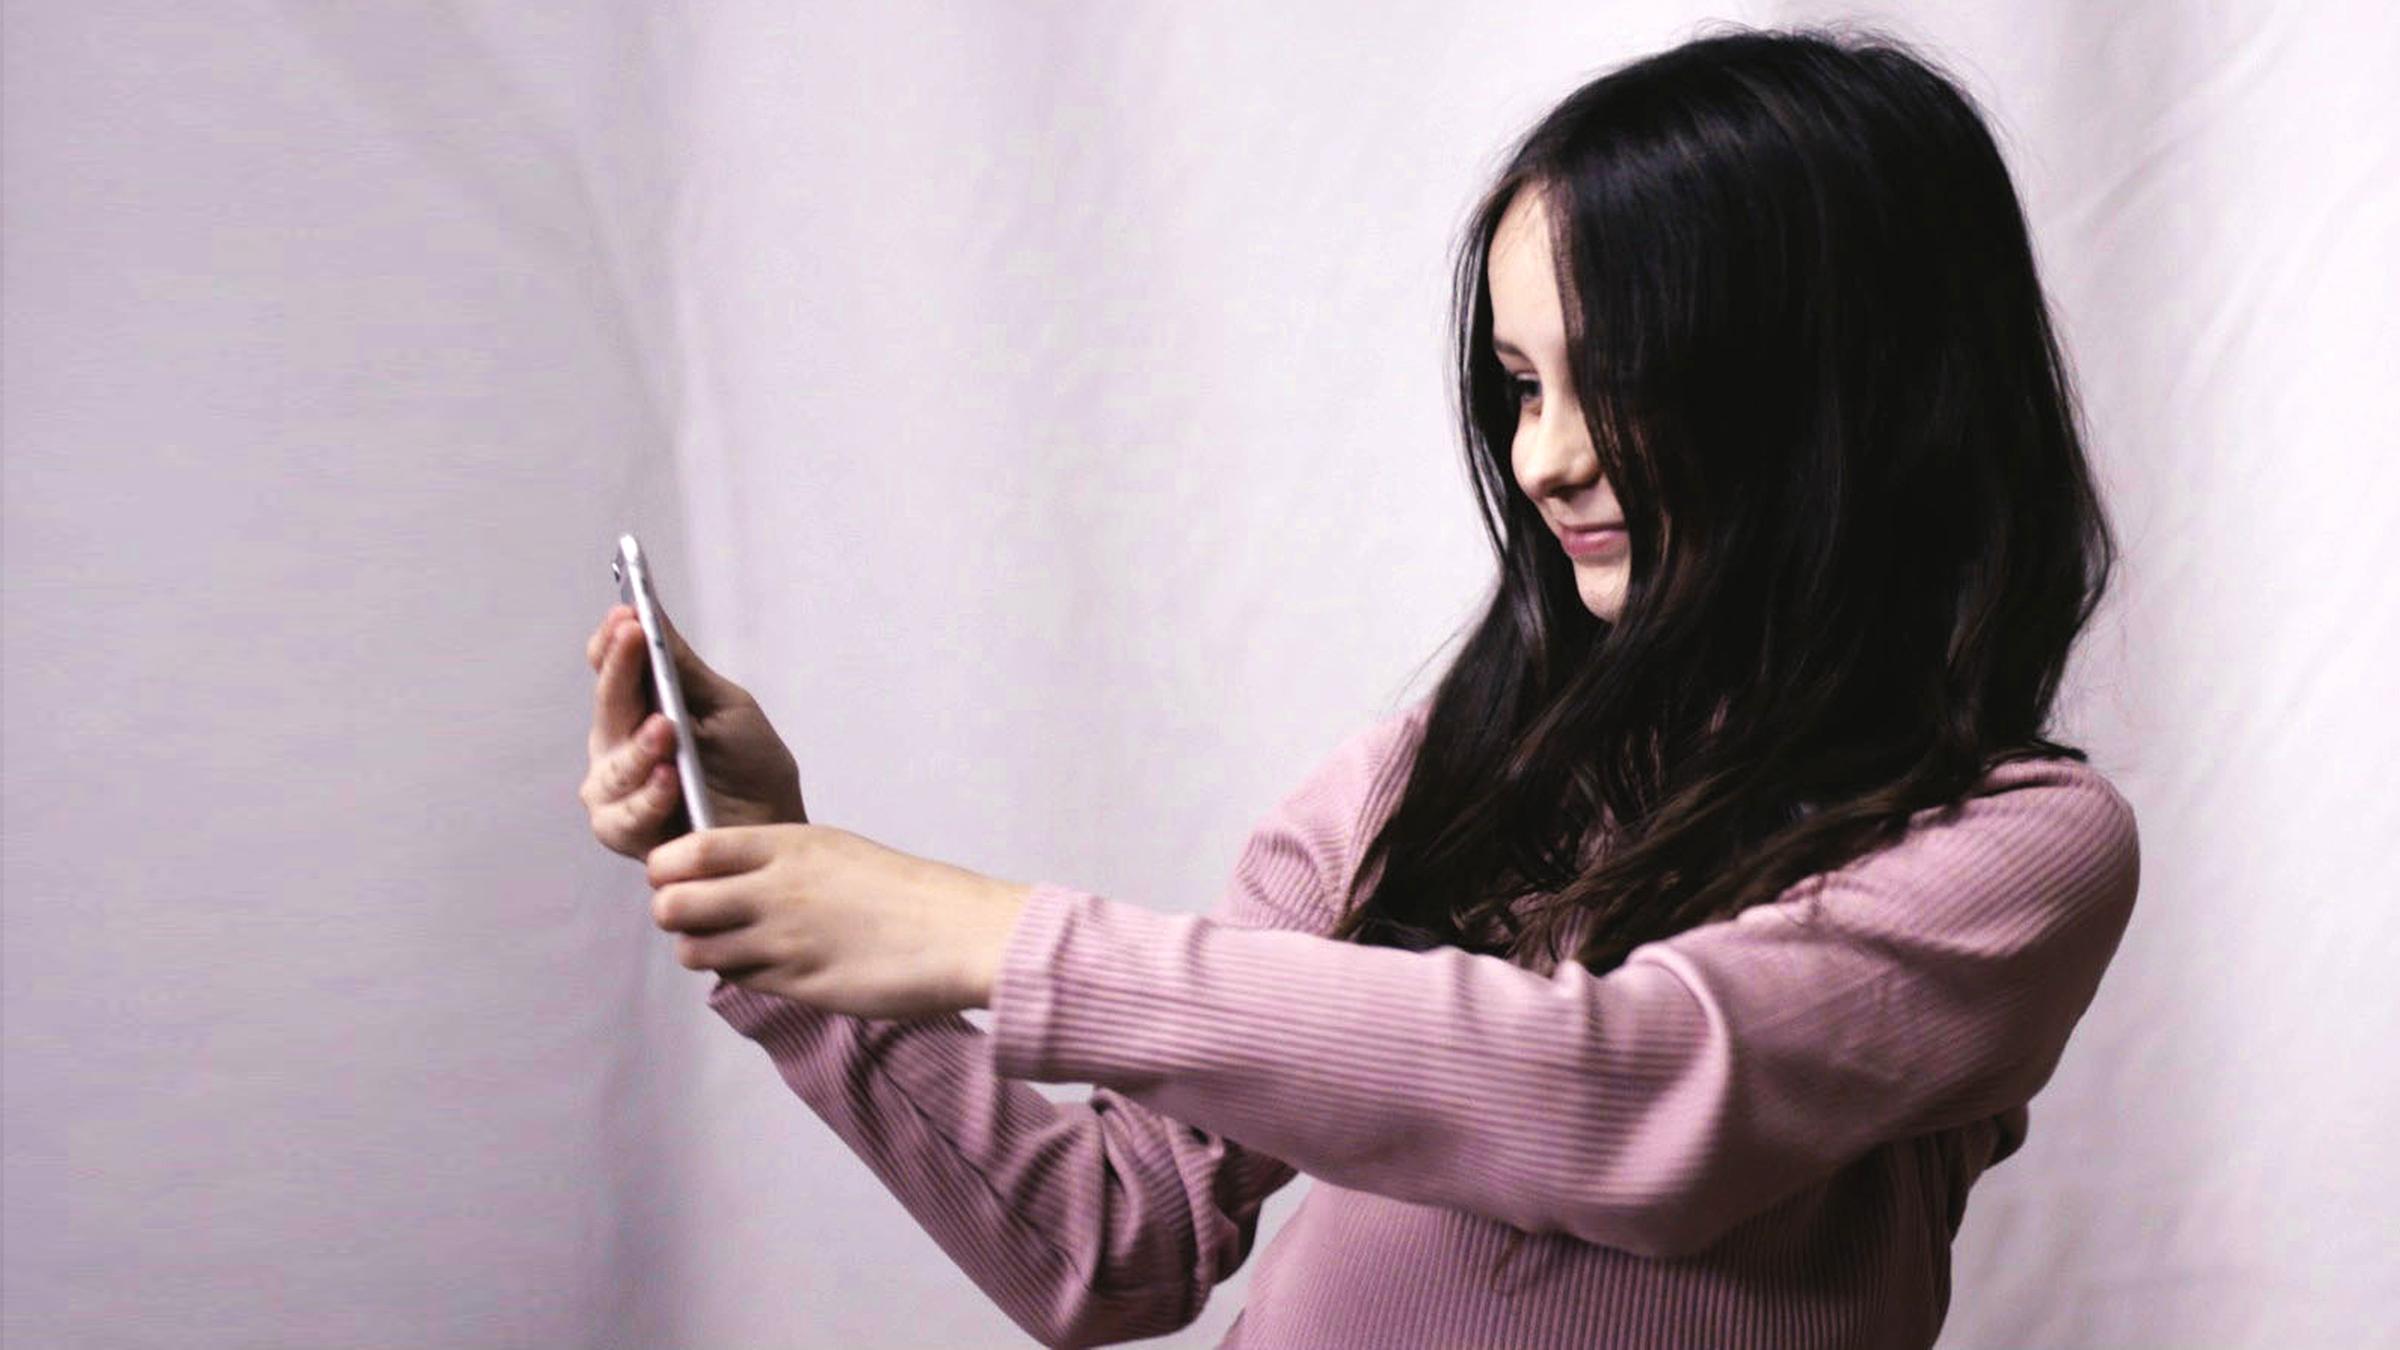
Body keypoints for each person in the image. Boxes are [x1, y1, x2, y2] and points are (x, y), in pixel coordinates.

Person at [578, 24, 2140, 1349]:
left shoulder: (2012, 849)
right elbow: (1109, 1235)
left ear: (1845, 394)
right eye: (1523, 385)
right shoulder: (1432, 774)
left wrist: (988, 935)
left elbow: (1622, 1099)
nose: (1547, 456)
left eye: (1624, 377)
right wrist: (764, 899)